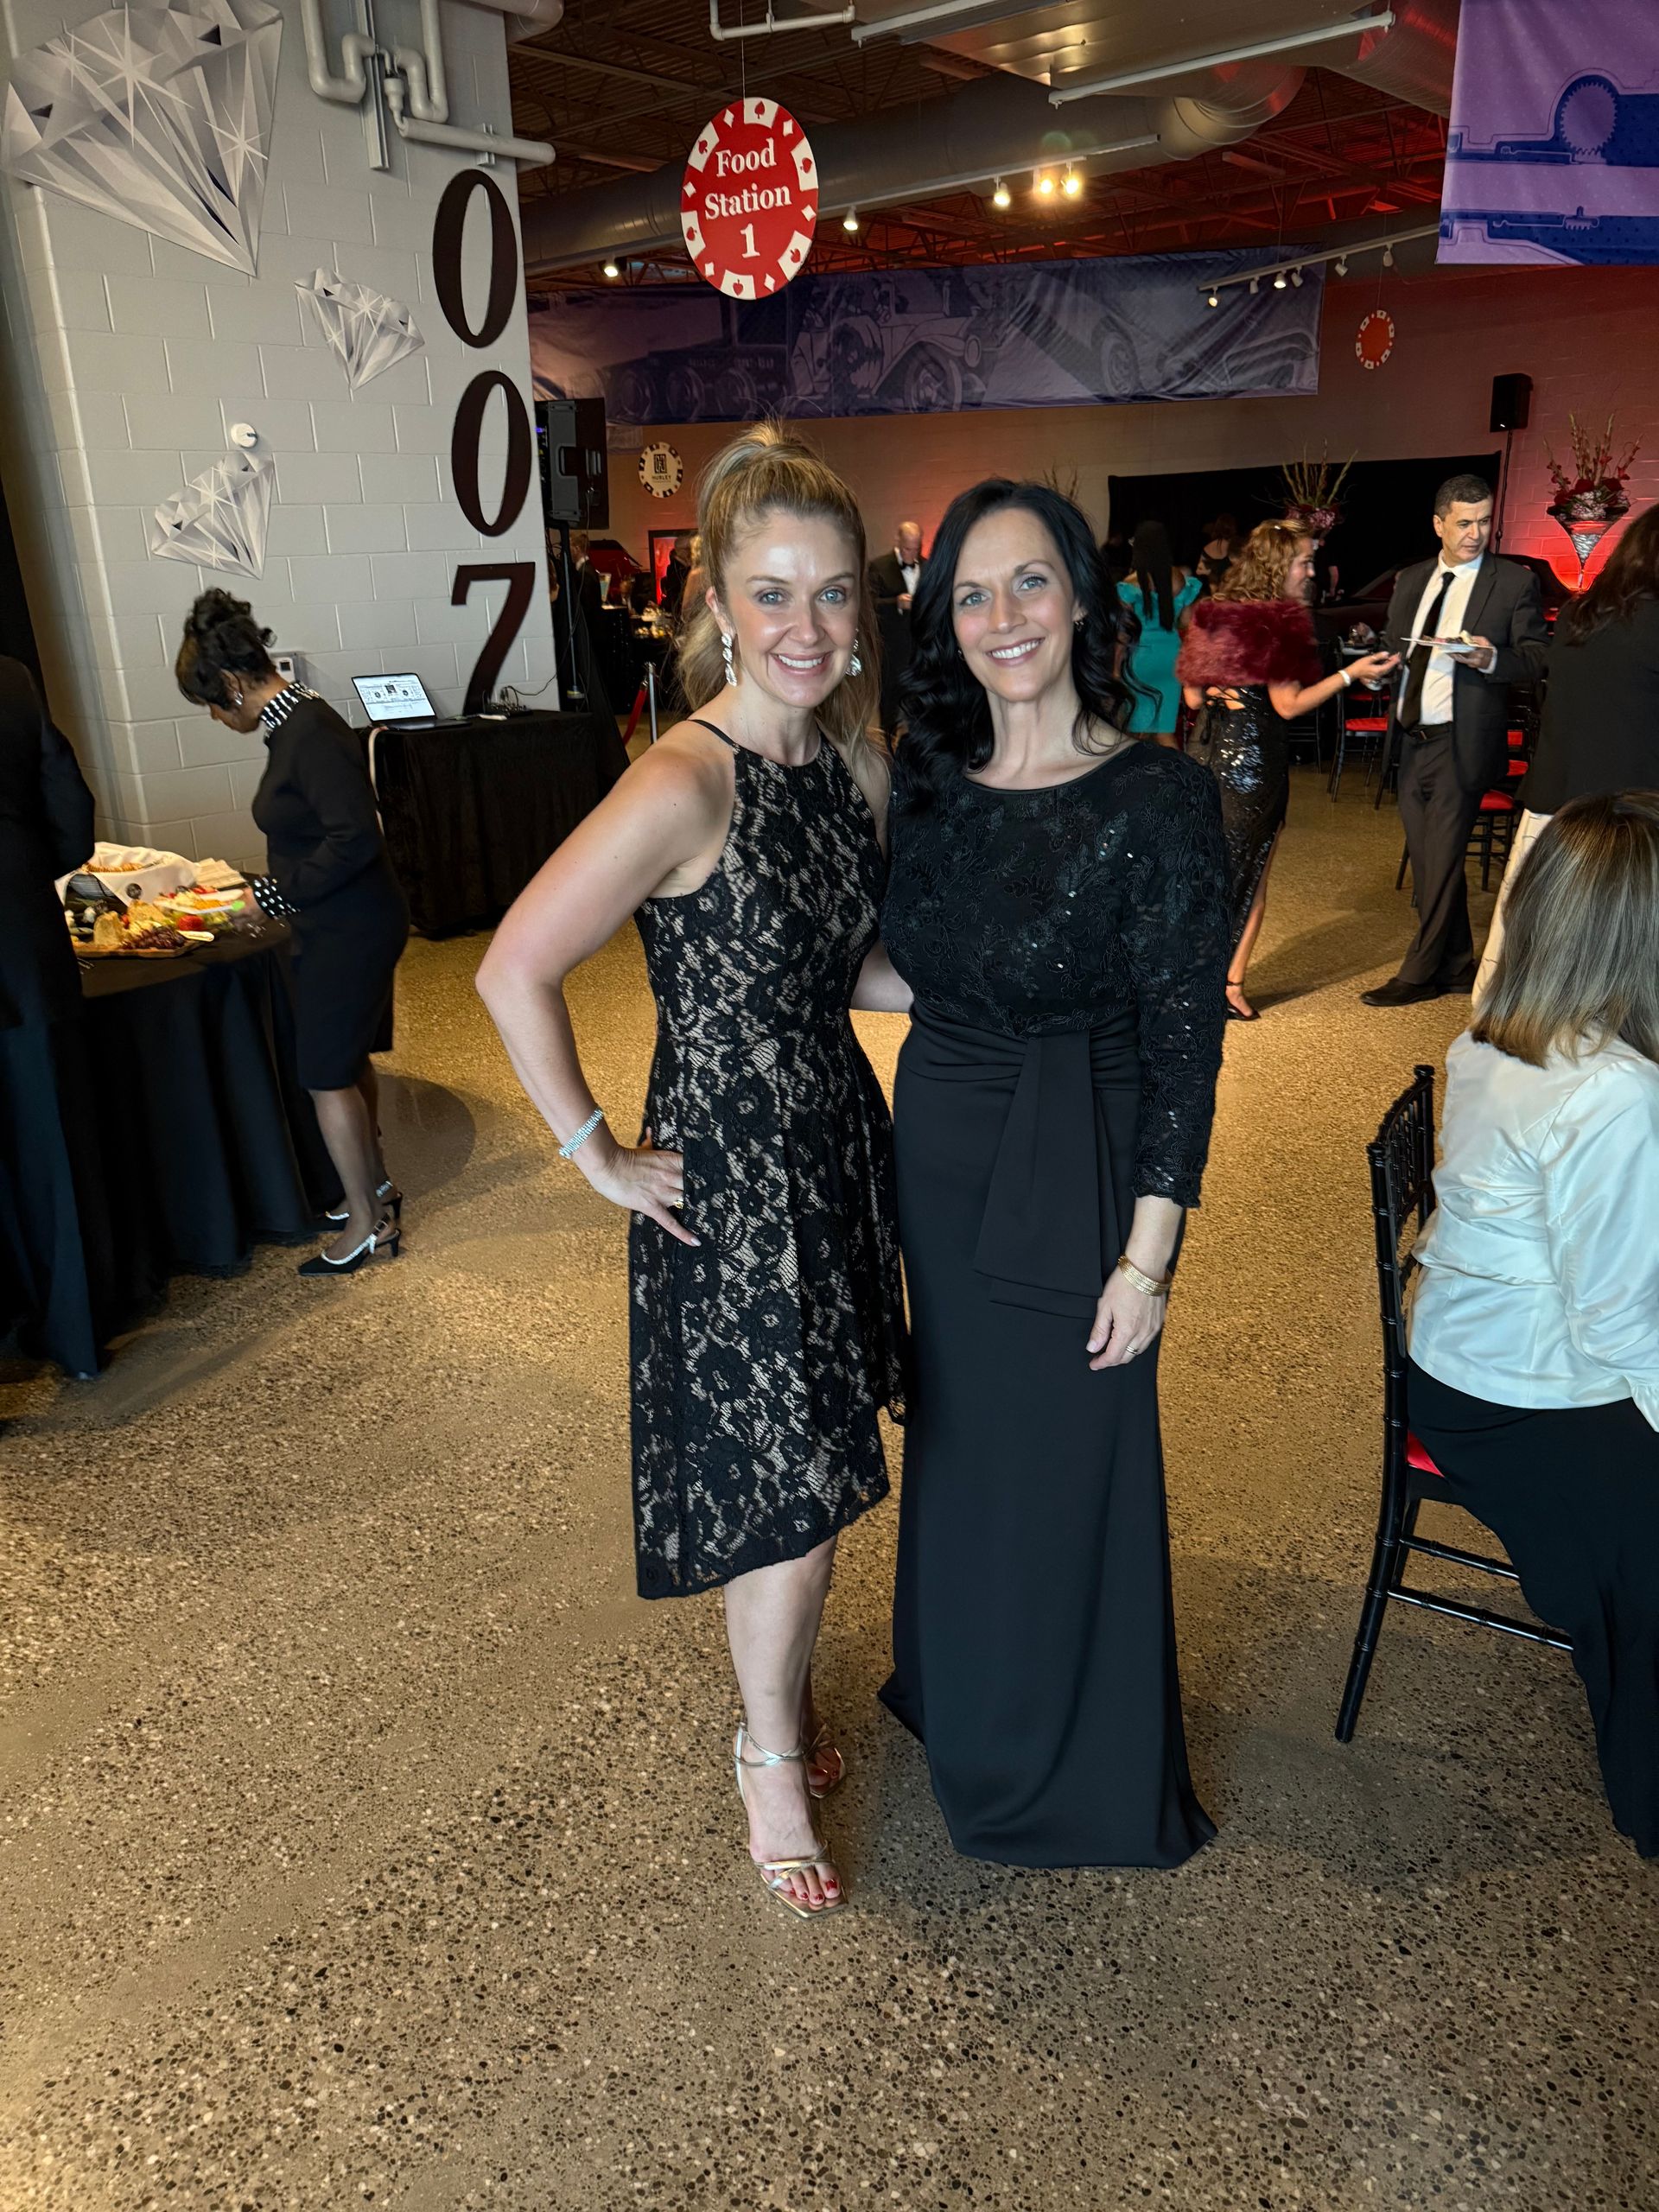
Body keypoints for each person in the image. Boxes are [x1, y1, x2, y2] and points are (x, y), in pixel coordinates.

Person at [477, 425, 906, 1920]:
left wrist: (996, 992)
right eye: (772, 596)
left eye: (834, 596)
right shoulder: (683, 779)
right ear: (717, 603)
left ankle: (776, 1707)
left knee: (827, 1472)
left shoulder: (849, 757)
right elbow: (513, 967)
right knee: (782, 1504)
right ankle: (765, 1753)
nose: (805, 628)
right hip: (728, 1176)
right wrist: (595, 1152)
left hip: (835, 1145)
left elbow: (844, 963)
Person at [876, 477, 1230, 1869]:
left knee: (1068, 1460)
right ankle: (963, 1691)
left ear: (1082, 596)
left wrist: (1150, 1260)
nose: (1002, 616)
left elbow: (1185, 1047)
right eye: (972, 592)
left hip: (1083, 1154)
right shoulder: (932, 780)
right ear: (945, 619)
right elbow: (916, 968)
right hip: (944, 1145)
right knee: (965, 1449)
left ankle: (1064, 1765)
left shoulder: (1159, 793)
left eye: (1029, 583)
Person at [1408, 793, 1659, 1859]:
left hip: (1462, 1357)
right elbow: (1619, 1324)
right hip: (1525, 1394)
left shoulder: (1492, 1033)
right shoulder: (1613, 1091)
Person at [175, 592, 409, 1275]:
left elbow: (355, 838)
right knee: (348, 1061)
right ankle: (375, 1188)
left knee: (324, 1076)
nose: (219, 720)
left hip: (351, 928)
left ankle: (368, 1225)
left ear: (232, 683)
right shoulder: (295, 723)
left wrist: (270, 894)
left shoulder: (306, 729)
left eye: (213, 706)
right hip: (341, 922)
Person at [1178, 522, 1398, 1020]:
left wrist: (1221, 685)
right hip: (1251, 764)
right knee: (1252, 876)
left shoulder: (1213, 613)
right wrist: (1351, 674)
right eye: (1304, 562)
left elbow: (1192, 696)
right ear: (1279, 568)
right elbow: (1289, 705)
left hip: (1205, 754)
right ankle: (1227, 987)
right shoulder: (1282, 622)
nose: (1312, 571)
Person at [1361, 474, 1548, 1008]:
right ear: (1439, 523)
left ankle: (1418, 973)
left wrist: (1490, 658)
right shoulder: (1410, 579)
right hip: (1410, 740)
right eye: (1464, 522)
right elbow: (1398, 653)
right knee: (1428, 858)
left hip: (1461, 743)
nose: (1476, 533)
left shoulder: (1512, 582)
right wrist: (1378, 674)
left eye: (1485, 521)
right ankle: (1458, 960)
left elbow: (1538, 657)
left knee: (1439, 856)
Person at [1476, 503, 1659, 996]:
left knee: (1530, 951)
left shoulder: (1581, 614)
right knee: (1609, 967)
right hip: (1627, 822)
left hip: (1554, 805)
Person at [0, 656, 108, 1375]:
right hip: (18, 938)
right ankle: (72, 1332)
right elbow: (71, 827)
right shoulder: (12, 681)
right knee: (46, 1131)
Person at [1116, 518, 1201, 748]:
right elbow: (1185, 621)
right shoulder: (1179, 580)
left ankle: (1135, 780)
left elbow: (1123, 633)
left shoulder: (1130, 584)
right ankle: (1177, 780)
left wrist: (1115, 667)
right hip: (1171, 655)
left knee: (1136, 732)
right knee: (1165, 732)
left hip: (1141, 657)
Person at [868, 520, 925, 740]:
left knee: (921, 705)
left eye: (916, 548)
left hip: (920, 652)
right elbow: (868, 606)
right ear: (897, 541)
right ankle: (887, 748)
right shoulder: (879, 566)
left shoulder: (927, 566)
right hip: (892, 652)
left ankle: (920, 750)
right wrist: (895, 603)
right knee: (890, 705)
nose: (912, 554)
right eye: (908, 548)